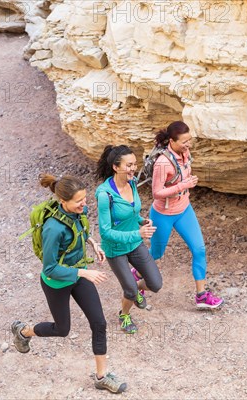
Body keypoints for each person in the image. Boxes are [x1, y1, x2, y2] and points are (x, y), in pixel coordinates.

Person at [11, 174, 126, 394]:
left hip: (79, 276)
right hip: (56, 282)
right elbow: (50, 268)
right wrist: (84, 272)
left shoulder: (76, 212)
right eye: (78, 201)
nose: (84, 204)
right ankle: (23, 332)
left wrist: (93, 244)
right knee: (62, 329)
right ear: (63, 202)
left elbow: (81, 230)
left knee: (99, 323)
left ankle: (101, 377)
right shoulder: (53, 229)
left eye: (85, 198)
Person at [147, 121, 224, 309]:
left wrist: (187, 183)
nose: (187, 145)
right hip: (163, 213)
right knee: (156, 254)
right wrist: (184, 185)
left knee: (199, 250)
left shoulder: (185, 153)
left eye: (189, 140)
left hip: (184, 210)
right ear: (171, 141)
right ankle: (137, 274)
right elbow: (156, 192)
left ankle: (202, 295)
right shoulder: (162, 163)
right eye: (183, 142)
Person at [94, 145, 162, 334]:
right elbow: (106, 232)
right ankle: (124, 314)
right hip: (116, 249)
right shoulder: (104, 194)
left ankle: (136, 290)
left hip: (134, 244)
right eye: (129, 165)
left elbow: (132, 212)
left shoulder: (131, 183)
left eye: (134, 164)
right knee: (130, 291)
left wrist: (141, 221)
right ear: (116, 167)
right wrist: (139, 233)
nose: (133, 168)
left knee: (155, 284)